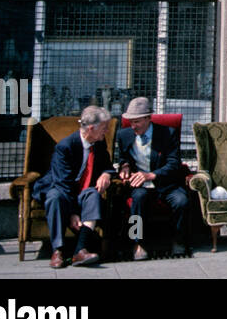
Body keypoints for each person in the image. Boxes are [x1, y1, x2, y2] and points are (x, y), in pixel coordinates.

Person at [31, 105, 114, 268]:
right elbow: (63, 184)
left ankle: (80, 250)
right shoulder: (65, 146)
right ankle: (57, 251)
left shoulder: (98, 142)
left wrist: (106, 174)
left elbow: (107, 165)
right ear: (91, 128)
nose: (106, 131)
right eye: (104, 128)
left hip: (82, 189)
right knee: (54, 198)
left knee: (93, 195)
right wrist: (72, 213)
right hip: (59, 187)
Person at [115, 97, 191, 259]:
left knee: (181, 201)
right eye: (130, 122)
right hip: (140, 185)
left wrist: (150, 175)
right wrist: (125, 166)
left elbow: (173, 163)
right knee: (137, 199)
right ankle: (136, 242)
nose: (133, 126)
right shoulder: (124, 135)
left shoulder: (167, 134)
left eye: (137, 122)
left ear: (148, 118)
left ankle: (178, 239)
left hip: (165, 182)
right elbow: (123, 158)